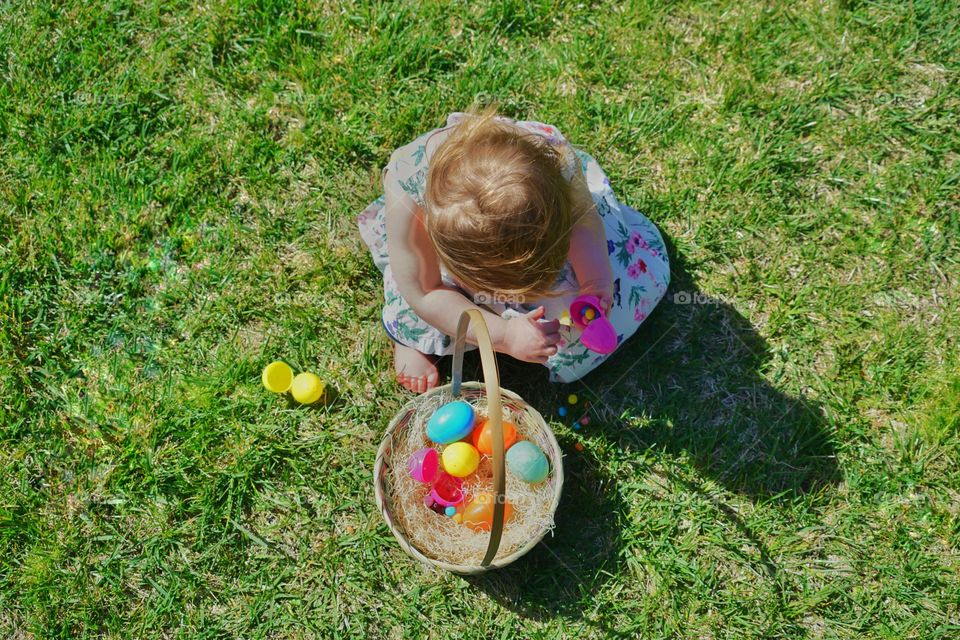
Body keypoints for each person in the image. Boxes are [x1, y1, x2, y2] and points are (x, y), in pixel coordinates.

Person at [356, 106, 670, 392]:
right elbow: (423, 292)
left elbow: (584, 221)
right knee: (415, 301)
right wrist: (504, 335)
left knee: (625, 279)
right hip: (428, 277)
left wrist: (595, 281)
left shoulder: (552, 159)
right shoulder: (408, 192)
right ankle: (407, 340)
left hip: (529, 229)